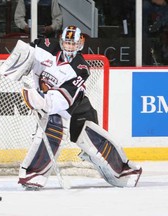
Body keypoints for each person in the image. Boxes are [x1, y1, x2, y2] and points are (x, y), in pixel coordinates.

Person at [12, 25, 142, 189]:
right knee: (52, 130)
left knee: (94, 144)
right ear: (61, 41)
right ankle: (33, 175)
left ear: (80, 43)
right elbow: (27, 51)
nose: (70, 46)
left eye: (73, 43)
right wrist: (21, 68)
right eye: (67, 43)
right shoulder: (47, 45)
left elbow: (61, 100)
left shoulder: (81, 68)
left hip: (77, 108)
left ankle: (124, 173)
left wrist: (40, 100)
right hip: (54, 106)